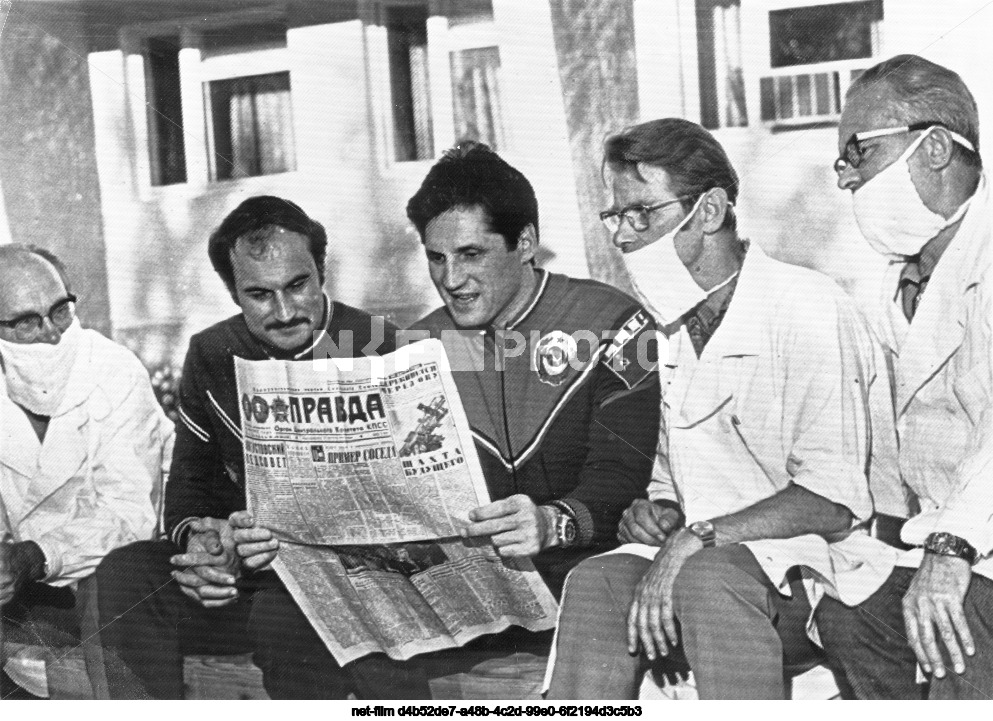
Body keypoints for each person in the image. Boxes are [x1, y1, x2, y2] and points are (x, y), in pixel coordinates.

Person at [544, 118, 904, 699]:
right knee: (599, 581)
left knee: (710, 579)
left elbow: (835, 501)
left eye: (643, 213)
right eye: (617, 216)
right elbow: (670, 480)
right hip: (707, 565)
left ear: (709, 211)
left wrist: (697, 538)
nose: (623, 236)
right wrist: (655, 510)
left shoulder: (805, 306)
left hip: (822, 571)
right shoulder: (666, 332)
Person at [96, 196, 404, 699]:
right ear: (233, 292)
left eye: (298, 286)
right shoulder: (212, 351)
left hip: (348, 583)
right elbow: (189, 485)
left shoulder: (377, 343)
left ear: (321, 270)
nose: (284, 312)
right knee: (126, 574)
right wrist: (203, 542)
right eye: (259, 294)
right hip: (248, 574)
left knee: (283, 616)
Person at [386, 141, 662, 697]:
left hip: (583, 572)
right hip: (461, 588)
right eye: (436, 258)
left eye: (470, 254)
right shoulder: (415, 345)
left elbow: (623, 479)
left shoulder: (614, 321)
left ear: (526, 243)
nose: (451, 278)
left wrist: (554, 523)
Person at [816, 54, 993, 700]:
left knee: (954, 613)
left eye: (857, 153)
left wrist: (950, 547)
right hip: (950, 544)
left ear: (936, 147)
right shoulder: (891, 285)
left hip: (972, 545)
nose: (844, 179)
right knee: (845, 610)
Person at [0, 244, 170, 697]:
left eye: (60, 311)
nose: (52, 334)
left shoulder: (113, 371)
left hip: (111, 583)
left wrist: (32, 557)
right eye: (25, 322)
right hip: (26, 597)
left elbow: (129, 517)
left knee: (108, 589)